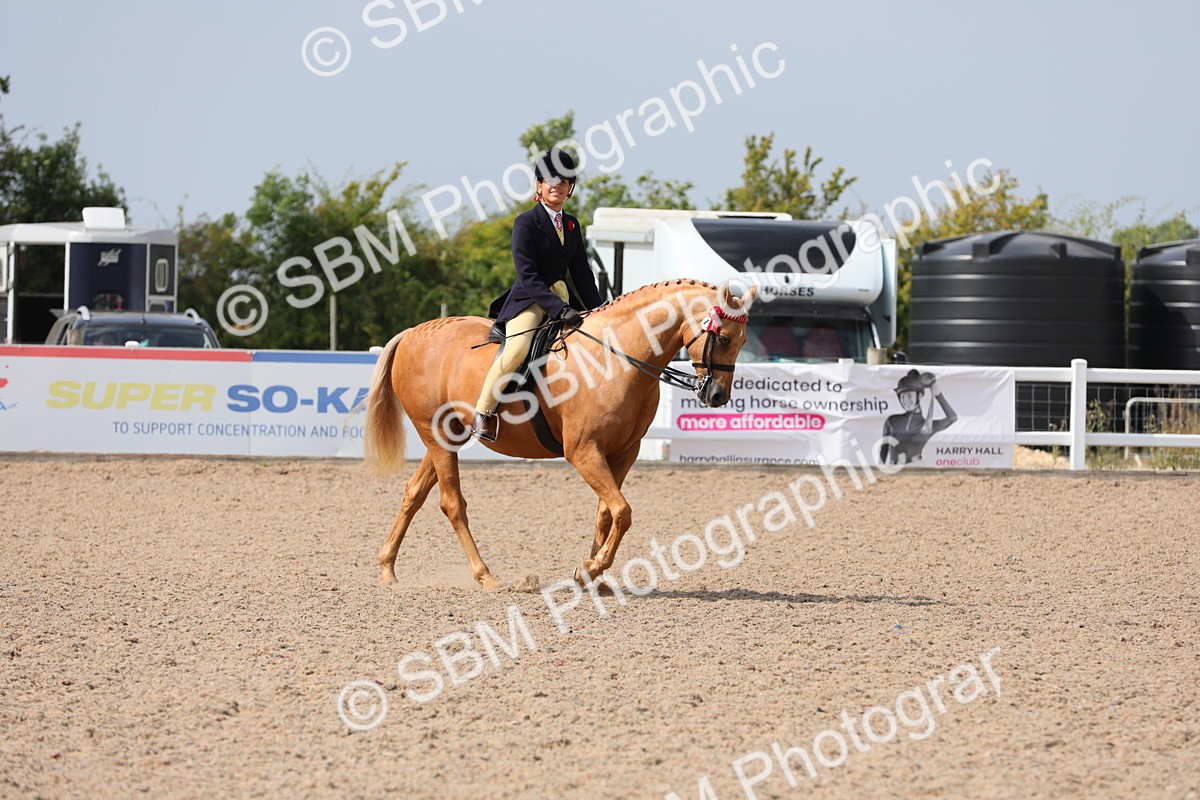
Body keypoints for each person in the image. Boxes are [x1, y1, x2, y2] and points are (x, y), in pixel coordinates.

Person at [470, 148, 603, 442]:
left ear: (570, 188)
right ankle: (483, 411)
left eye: (564, 180)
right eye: (550, 179)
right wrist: (557, 309)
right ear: (539, 185)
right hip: (531, 299)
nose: (557, 185)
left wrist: (599, 310)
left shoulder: (571, 224)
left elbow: (581, 273)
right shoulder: (525, 223)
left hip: (564, 299)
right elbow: (527, 275)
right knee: (517, 349)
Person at [880, 369, 958, 465]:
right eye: (903, 396)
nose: (906, 401)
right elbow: (884, 448)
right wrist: (879, 469)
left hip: (916, 470)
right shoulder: (891, 421)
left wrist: (937, 394)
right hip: (893, 469)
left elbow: (952, 417)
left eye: (909, 396)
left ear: (920, 396)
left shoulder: (927, 425)